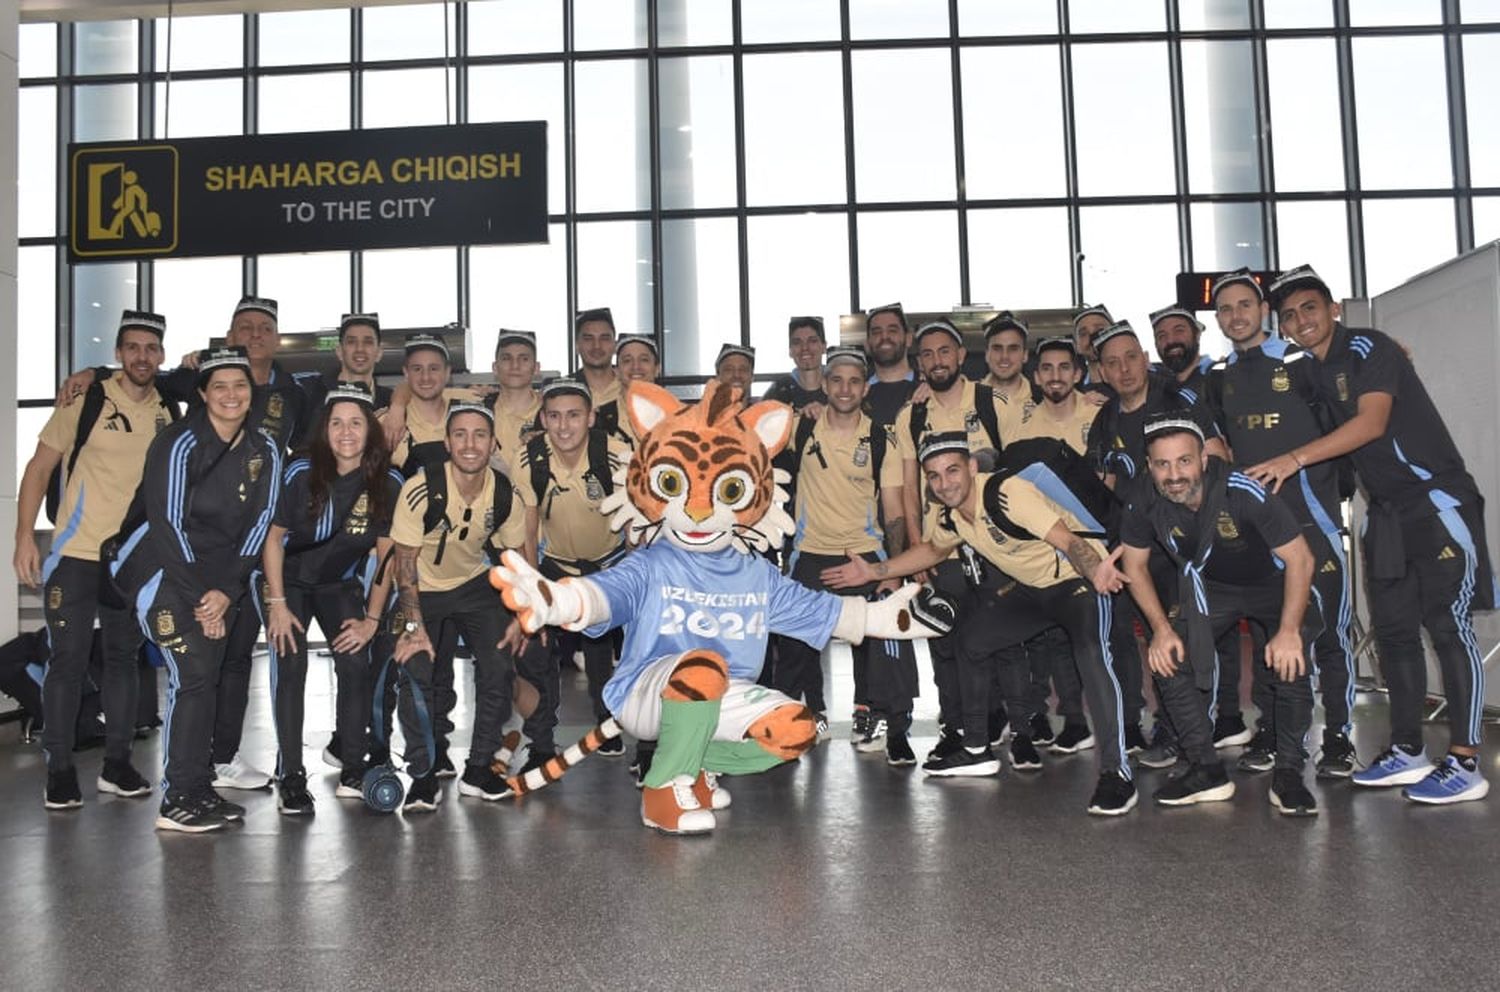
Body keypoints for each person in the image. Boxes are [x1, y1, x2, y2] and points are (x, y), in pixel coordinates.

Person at [490, 379, 939, 835]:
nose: (700, 510)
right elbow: (605, 594)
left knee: (797, 729)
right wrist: (556, 599)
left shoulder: (756, 573)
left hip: (716, 694)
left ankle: (694, 765)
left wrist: (887, 617)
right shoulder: (652, 563)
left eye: (726, 492)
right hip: (646, 694)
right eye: (673, 485)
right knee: (701, 669)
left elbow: (821, 612)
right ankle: (663, 790)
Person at [1249, 264, 1496, 805]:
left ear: (1334, 309)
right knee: (1394, 633)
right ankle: (1408, 750)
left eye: (1310, 308)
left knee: (1448, 628)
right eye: (1289, 315)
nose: (1300, 321)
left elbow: (1371, 424)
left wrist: (1291, 459)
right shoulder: (1309, 368)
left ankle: (1465, 760)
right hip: (1383, 516)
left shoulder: (1370, 347)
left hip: (1435, 501)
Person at [822, 432, 1137, 816]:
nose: (944, 483)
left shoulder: (1008, 493)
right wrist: (875, 569)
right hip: (1033, 591)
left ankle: (1116, 774)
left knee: (1092, 656)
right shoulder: (950, 514)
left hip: (1077, 583)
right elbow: (932, 550)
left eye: (952, 470)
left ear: (972, 467)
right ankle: (975, 749)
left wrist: (1097, 573)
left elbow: (1068, 541)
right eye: (934, 476)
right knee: (972, 640)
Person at [109, 347, 282, 832]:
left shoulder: (265, 449)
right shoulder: (178, 443)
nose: (231, 395)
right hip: (162, 574)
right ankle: (176, 800)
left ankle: (197, 786)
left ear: (253, 393)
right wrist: (201, 596)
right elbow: (168, 525)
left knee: (207, 678)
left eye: (240, 386)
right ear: (203, 394)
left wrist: (225, 592)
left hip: (221, 583)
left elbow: (259, 525)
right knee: (195, 677)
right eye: (220, 386)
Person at [1111, 416, 1320, 815]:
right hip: (1214, 587)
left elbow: (1301, 559)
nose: (1174, 475)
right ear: (1149, 466)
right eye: (1162, 465)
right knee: (1168, 659)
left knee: (1290, 662)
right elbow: (1134, 567)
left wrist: (1290, 630)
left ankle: (1290, 772)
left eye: (1184, 462)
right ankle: (1206, 770)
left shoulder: (1242, 490)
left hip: (1273, 584)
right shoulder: (1143, 498)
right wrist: (1160, 630)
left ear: (1204, 460)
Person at [14, 309, 174, 808]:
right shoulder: (87, 398)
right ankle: (59, 769)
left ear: (161, 355)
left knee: (125, 661)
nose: (141, 356)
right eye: (133, 347)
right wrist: (24, 538)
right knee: (69, 660)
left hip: (130, 561)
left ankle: (118, 764)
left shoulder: (168, 411)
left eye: (151, 348)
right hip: (76, 555)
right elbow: (38, 469)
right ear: (118, 354)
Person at [1202, 267, 1356, 776]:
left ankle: (1338, 738)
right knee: (1272, 632)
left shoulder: (1304, 361)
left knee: (1330, 635)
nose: (1235, 316)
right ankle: (1270, 730)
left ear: (1263, 310)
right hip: (1260, 534)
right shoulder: (1219, 376)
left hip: (1314, 521)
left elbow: (1354, 416)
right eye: (1225, 309)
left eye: (1245, 305)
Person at [388, 401, 550, 812]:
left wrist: (520, 614)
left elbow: (514, 559)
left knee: (498, 665)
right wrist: (412, 627)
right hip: (419, 588)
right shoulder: (419, 488)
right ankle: (423, 776)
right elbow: (403, 563)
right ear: (447, 442)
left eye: (479, 434)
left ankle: (479, 769)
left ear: (493, 442)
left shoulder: (504, 493)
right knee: (417, 671)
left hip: (471, 584)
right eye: (460, 434)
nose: (470, 443)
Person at [1086, 320, 1228, 759]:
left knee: (1186, 636)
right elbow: (1104, 483)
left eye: (1131, 358)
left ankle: (1182, 731)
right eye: (1112, 363)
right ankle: (1138, 725)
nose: (1124, 369)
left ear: (1145, 359)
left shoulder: (1179, 399)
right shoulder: (1105, 418)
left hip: (1184, 542)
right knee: (1131, 637)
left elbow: (1218, 457)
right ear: (1103, 373)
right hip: (1135, 543)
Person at [260, 383, 403, 814]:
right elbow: (272, 539)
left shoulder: (387, 481)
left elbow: (386, 559)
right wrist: (278, 604)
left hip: (336, 583)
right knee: (291, 664)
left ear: (370, 431)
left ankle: (353, 769)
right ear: (324, 429)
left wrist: (372, 621)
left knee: (356, 661)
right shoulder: (300, 471)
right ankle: (291, 777)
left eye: (356, 423)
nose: (346, 432)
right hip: (285, 581)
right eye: (337, 423)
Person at [774, 348, 911, 763]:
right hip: (810, 552)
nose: (845, 389)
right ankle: (802, 715)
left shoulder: (879, 437)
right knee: (796, 642)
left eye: (854, 381)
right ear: (826, 383)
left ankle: (872, 713)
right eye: (837, 380)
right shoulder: (802, 426)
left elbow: (894, 509)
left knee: (874, 641)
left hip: (863, 552)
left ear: (864, 386)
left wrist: (890, 571)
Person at [512, 378, 630, 764]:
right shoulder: (529, 458)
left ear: (591, 417)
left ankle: (609, 725)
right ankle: (542, 743)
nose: (564, 426)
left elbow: (634, 524)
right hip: (554, 565)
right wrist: (533, 589)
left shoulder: (616, 455)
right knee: (538, 653)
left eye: (574, 416)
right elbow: (527, 528)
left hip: (608, 565)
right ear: (543, 418)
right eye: (555, 416)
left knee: (602, 655)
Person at [1009, 335, 1100, 754]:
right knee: (1041, 639)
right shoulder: (1022, 424)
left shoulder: (1100, 413)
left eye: (1065, 367)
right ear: (1036, 375)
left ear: (1079, 373)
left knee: (1086, 639)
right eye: (1047, 368)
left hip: (1095, 545)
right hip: (1041, 546)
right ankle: (1044, 718)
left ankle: (1089, 720)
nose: (1056, 375)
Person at [979, 310, 1037, 443]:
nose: (1004, 357)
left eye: (1013, 349)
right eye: (997, 348)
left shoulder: (1043, 399)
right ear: (987, 354)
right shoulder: (968, 396)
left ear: (1025, 355)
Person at [488, 329, 543, 464]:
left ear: (536, 368)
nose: (515, 366)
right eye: (507, 358)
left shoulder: (553, 413)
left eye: (524, 359)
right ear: (495, 367)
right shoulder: (481, 413)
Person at [575, 307, 625, 439]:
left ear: (615, 346)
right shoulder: (564, 391)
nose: (596, 346)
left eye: (604, 338)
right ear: (576, 346)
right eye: (588, 338)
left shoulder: (629, 387)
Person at [763, 317, 828, 414]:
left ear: (824, 347)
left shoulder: (840, 386)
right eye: (797, 342)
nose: (805, 348)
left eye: (812, 341)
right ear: (790, 351)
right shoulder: (779, 390)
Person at [1148, 304, 1215, 396]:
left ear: (1197, 334)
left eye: (1179, 330)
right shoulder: (1159, 389)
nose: (1170, 340)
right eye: (1162, 335)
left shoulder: (1221, 377)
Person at [329, 312, 393, 408]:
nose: (360, 349)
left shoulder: (391, 402)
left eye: (368, 342)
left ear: (379, 352)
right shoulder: (314, 395)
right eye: (351, 342)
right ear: (339, 351)